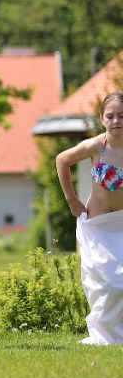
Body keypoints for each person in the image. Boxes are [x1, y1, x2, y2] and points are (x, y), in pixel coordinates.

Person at [56, 92, 123, 345]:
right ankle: (103, 332)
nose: (116, 120)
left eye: (122, 115)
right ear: (102, 119)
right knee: (109, 284)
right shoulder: (96, 146)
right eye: (111, 116)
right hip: (98, 227)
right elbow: (62, 160)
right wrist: (72, 200)